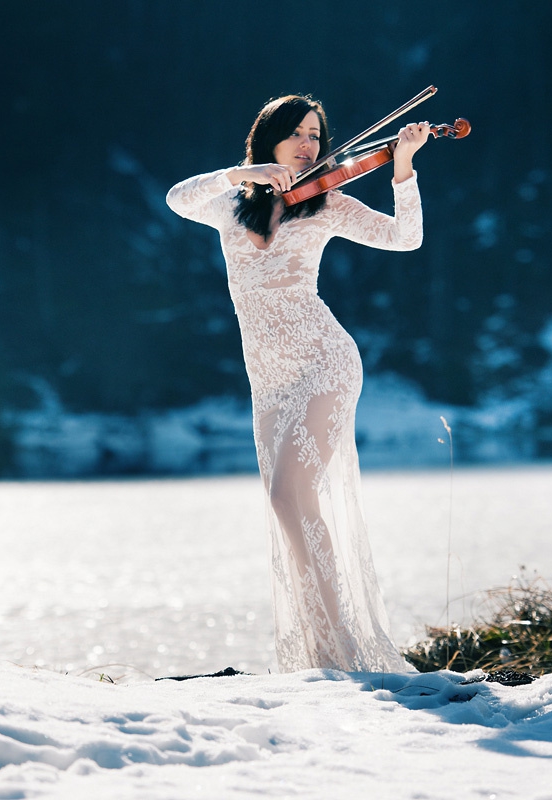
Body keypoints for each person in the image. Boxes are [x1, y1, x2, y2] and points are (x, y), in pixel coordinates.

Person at [166, 94, 429, 672]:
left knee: (290, 495)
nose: (309, 145)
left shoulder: (328, 200)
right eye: (298, 134)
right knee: (290, 504)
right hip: (270, 381)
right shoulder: (230, 205)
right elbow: (177, 197)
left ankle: (348, 646)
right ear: (269, 140)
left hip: (324, 363)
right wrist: (242, 175)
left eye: (316, 135)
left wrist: (403, 166)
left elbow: (404, 238)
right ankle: (325, 648)